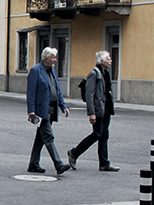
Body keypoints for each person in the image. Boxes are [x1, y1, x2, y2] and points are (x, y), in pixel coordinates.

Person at [68, 50, 119, 172]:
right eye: (108, 59)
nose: (110, 61)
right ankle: (74, 153)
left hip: (106, 109)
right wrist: (91, 113)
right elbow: (89, 95)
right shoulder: (94, 73)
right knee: (97, 134)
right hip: (98, 110)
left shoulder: (105, 73)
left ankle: (104, 163)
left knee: (104, 136)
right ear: (101, 61)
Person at [26, 46, 70, 174]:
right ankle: (58, 164)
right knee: (49, 137)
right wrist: (31, 110)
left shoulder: (52, 71)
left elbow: (57, 90)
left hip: (51, 108)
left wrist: (63, 106)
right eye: (53, 57)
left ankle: (33, 164)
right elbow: (31, 92)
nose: (55, 60)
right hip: (41, 111)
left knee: (40, 138)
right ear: (45, 58)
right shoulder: (36, 70)